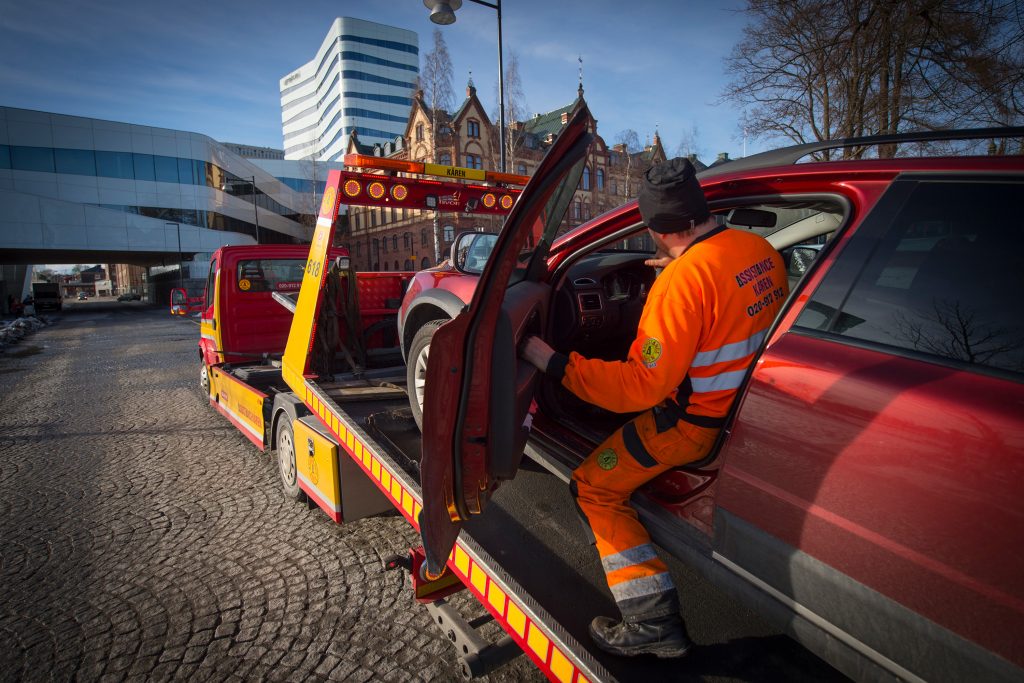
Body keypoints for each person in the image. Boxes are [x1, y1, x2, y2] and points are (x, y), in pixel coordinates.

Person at [520, 157, 788, 658]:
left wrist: (554, 362)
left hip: (687, 427)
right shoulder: (758, 251)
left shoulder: (681, 284)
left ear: (658, 226)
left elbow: (640, 388)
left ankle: (652, 623)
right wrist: (683, 268)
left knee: (592, 487)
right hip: (742, 409)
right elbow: (723, 299)